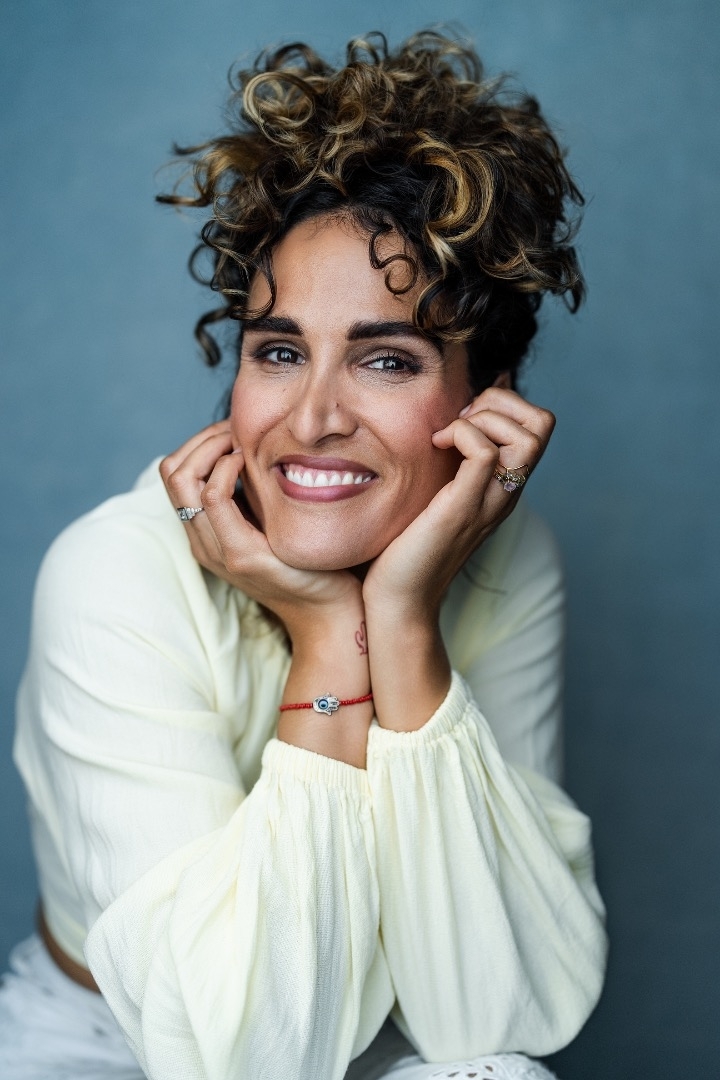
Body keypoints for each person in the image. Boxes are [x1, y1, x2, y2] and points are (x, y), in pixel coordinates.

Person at [2, 30, 607, 1080]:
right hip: (112, 1040)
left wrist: (400, 623)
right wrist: (330, 635)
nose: (314, 417)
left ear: (487, 400)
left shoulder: (512, 560)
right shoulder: (112, 572)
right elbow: (244, 1055)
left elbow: (498, 1010)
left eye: (387, 360)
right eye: (279, 351)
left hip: (365, 1025)